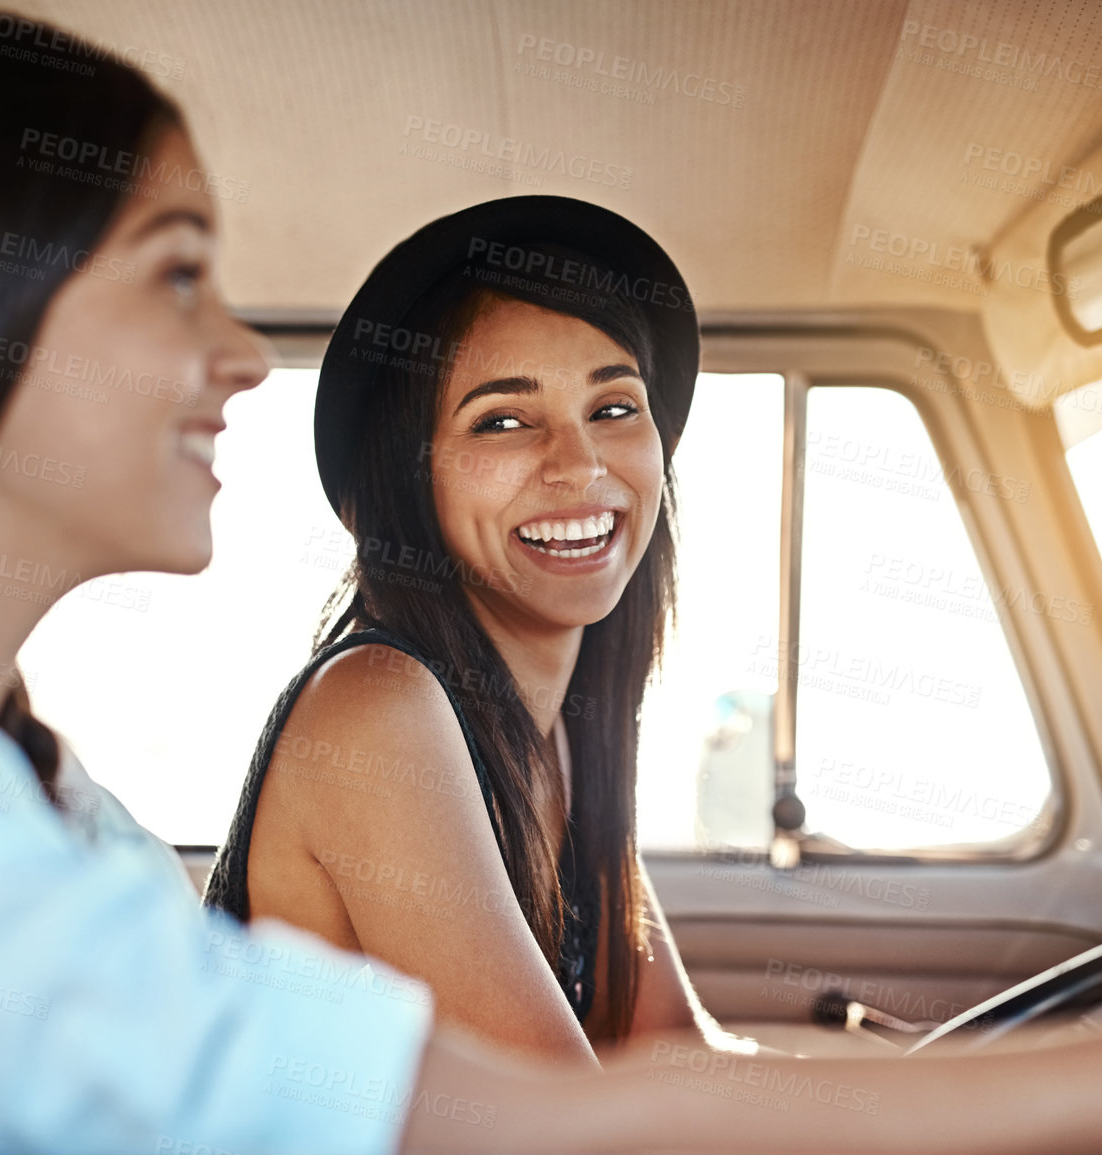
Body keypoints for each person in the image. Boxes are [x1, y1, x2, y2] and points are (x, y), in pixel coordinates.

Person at [0, 10, 1102, 1155]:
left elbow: (644, 1081)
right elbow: (548, 1130)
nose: (231, 357)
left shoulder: (20, 783)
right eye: (175, 282)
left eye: (617, 412)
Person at [204, 197, 744, 1063]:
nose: (581, 465)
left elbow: (673, 1050)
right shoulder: (377, 712)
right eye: (502, 419)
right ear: (405, 481)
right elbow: (572, 1127)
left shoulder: (563, 731)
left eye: (613, 407)